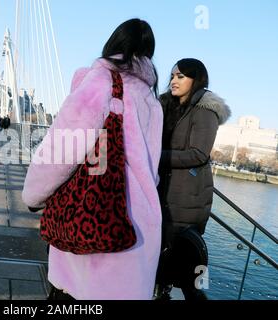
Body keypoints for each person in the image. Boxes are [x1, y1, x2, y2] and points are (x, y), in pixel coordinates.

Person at [22, 19, 164, 300]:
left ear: (113, 44)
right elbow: (152, 168)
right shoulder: (151, 99)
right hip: (139, 227)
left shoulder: (100, 82)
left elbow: (62, 150)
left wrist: (33, 195)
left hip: (95, 219)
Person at [156, 59, 231, 300]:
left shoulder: (204, 110)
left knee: (184, 271)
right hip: (165, 193)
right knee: (162, 264)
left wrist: (155, 157)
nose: (173, 81)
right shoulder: (169, 105)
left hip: (185, 199)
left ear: (195, 79)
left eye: (180, 76)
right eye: (172, 76)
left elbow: (198, 153)